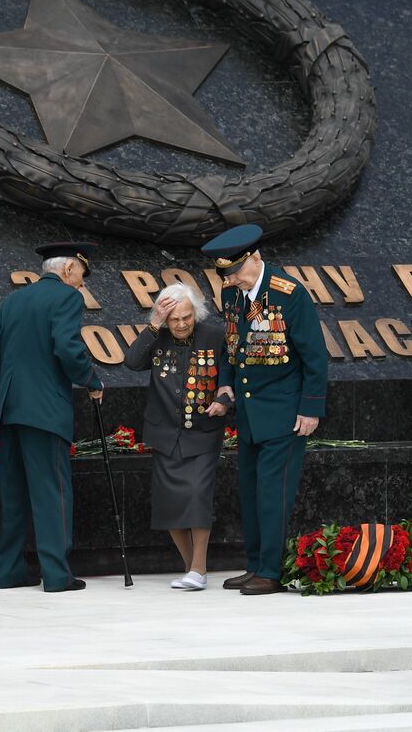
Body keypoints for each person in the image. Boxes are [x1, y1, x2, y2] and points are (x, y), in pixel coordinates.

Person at [201, 224, 328, 595]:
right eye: (227, 274)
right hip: (250, 415)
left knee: (274, 493)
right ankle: (255, 564)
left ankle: (270, 571)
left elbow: (314, 356)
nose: (233, 280)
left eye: (237, 272)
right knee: (251, 491)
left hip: (285, 413)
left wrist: (311, 409)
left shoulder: (290, 294)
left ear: (255, 258)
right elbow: (232, 345)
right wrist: (225, 382)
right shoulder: (233, 295)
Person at [0, 242, 103, 592]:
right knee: (52, 491)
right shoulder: (66, 298)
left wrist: (8, 392)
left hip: (10, 410)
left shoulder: (13, 300)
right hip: (46, 411)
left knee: (15, 493)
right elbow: (67, 347)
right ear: (67, 269)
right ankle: (56, 574)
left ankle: (8, 572)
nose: (82, 285)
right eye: (81, 276)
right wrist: (90, 379)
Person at [124, 283, 234, 590]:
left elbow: (228, 370)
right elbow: (132, 362)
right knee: (170, 503)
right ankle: (192, 568)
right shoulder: (156, 335)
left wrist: (225, 397)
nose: (182, 323)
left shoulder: (213, 334)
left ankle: (198, 567)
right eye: (174, 319)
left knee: (198, 495)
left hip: (202, 430)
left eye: (186, 317)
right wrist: (154, 324)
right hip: (165, 432)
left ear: (195, 314)